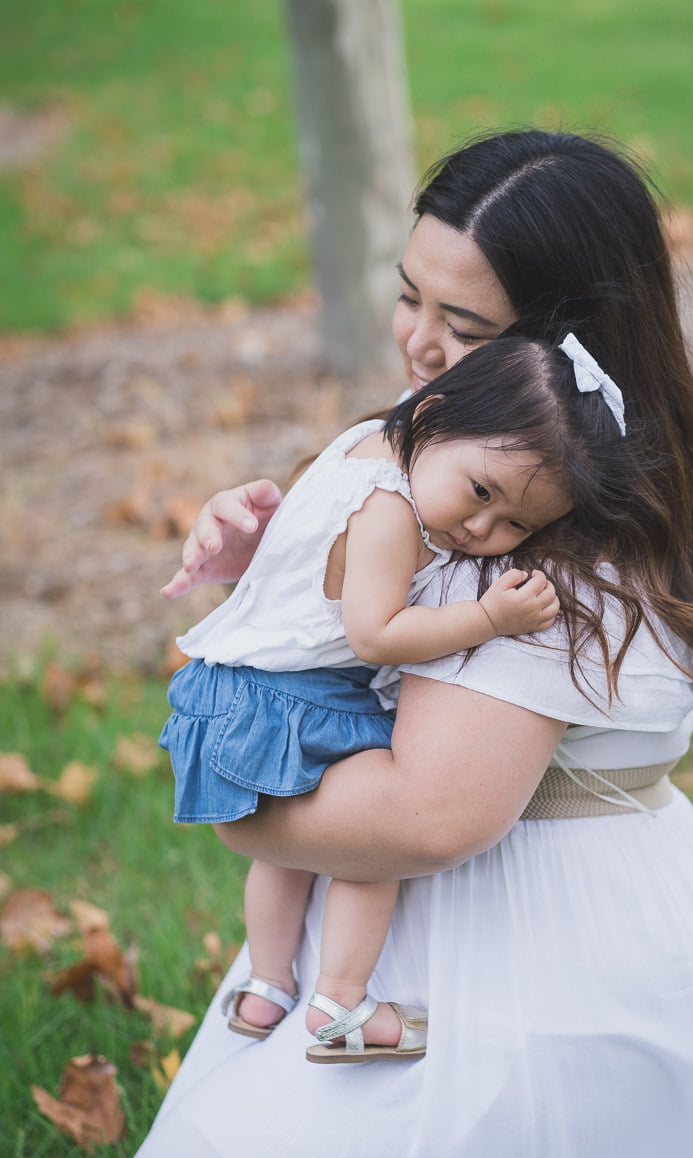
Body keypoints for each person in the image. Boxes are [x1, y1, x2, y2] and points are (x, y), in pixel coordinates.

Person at [117, 129, 693, 1158]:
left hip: (545, 961)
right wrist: (290, 555)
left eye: (464, 324)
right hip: (424, 922)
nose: (418, 345)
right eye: (408, 298)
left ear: (561, 352)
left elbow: (425, 819)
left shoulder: (552, 560)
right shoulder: (463, 468)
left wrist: (231, 798)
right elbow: (353, 609)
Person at [159, 335, 571, 1062]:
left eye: (517, 525)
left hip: (232, 691)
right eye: (480, 492)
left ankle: (266, 986)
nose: (483, 529)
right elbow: (377, 635)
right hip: (296, 703)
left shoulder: (363, 446)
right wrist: (489, 617)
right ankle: (340, 1005)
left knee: (285, 859)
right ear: (434, 416)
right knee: (369, 854)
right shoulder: (389, 511)